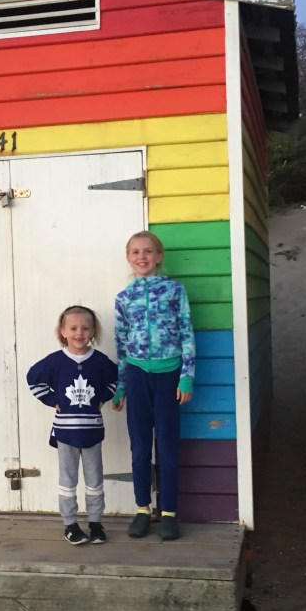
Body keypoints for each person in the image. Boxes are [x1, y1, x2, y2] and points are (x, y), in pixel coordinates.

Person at [112, 231, 194, 541]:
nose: (142, 256)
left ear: (159, 256)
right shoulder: (124, 297)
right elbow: (121, 343)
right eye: (135, 252)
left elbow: (187, 334)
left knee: (168, 446)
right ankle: (143, 509)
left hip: (168, 376)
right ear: (128, 258)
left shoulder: (174, 290)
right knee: (140, 447)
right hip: (136, 376)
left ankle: (169, 512)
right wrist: (121, 386)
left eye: (148, 251)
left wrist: (186, 376)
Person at [27, 305, 119, 545]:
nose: (79, 333)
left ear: (93, 331)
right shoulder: (55, 361)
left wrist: (103, 398)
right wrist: (52, 400)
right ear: (63, 331)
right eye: (73, 328)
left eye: (85, 328)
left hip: (92, 431)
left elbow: (116, 379)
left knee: (94, 479)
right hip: (65, 432)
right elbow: (33, 379)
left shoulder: (99, 361)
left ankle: (96, 522)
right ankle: (69, 523)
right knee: (68, 480)